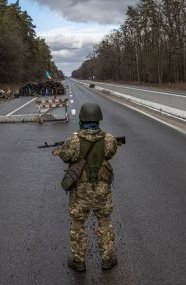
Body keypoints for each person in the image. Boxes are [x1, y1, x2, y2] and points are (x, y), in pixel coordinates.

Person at [52, 103, 118, 272]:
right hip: (102, 189)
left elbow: (66, 157)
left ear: (82, 118)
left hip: (80, 191)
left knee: (78, 224)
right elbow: (110, 153)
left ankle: (78, 261)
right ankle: (107, 259)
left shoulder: (73, 140)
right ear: (98, 118)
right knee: (104, 223)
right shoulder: (109, 138)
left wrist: (60, 150)